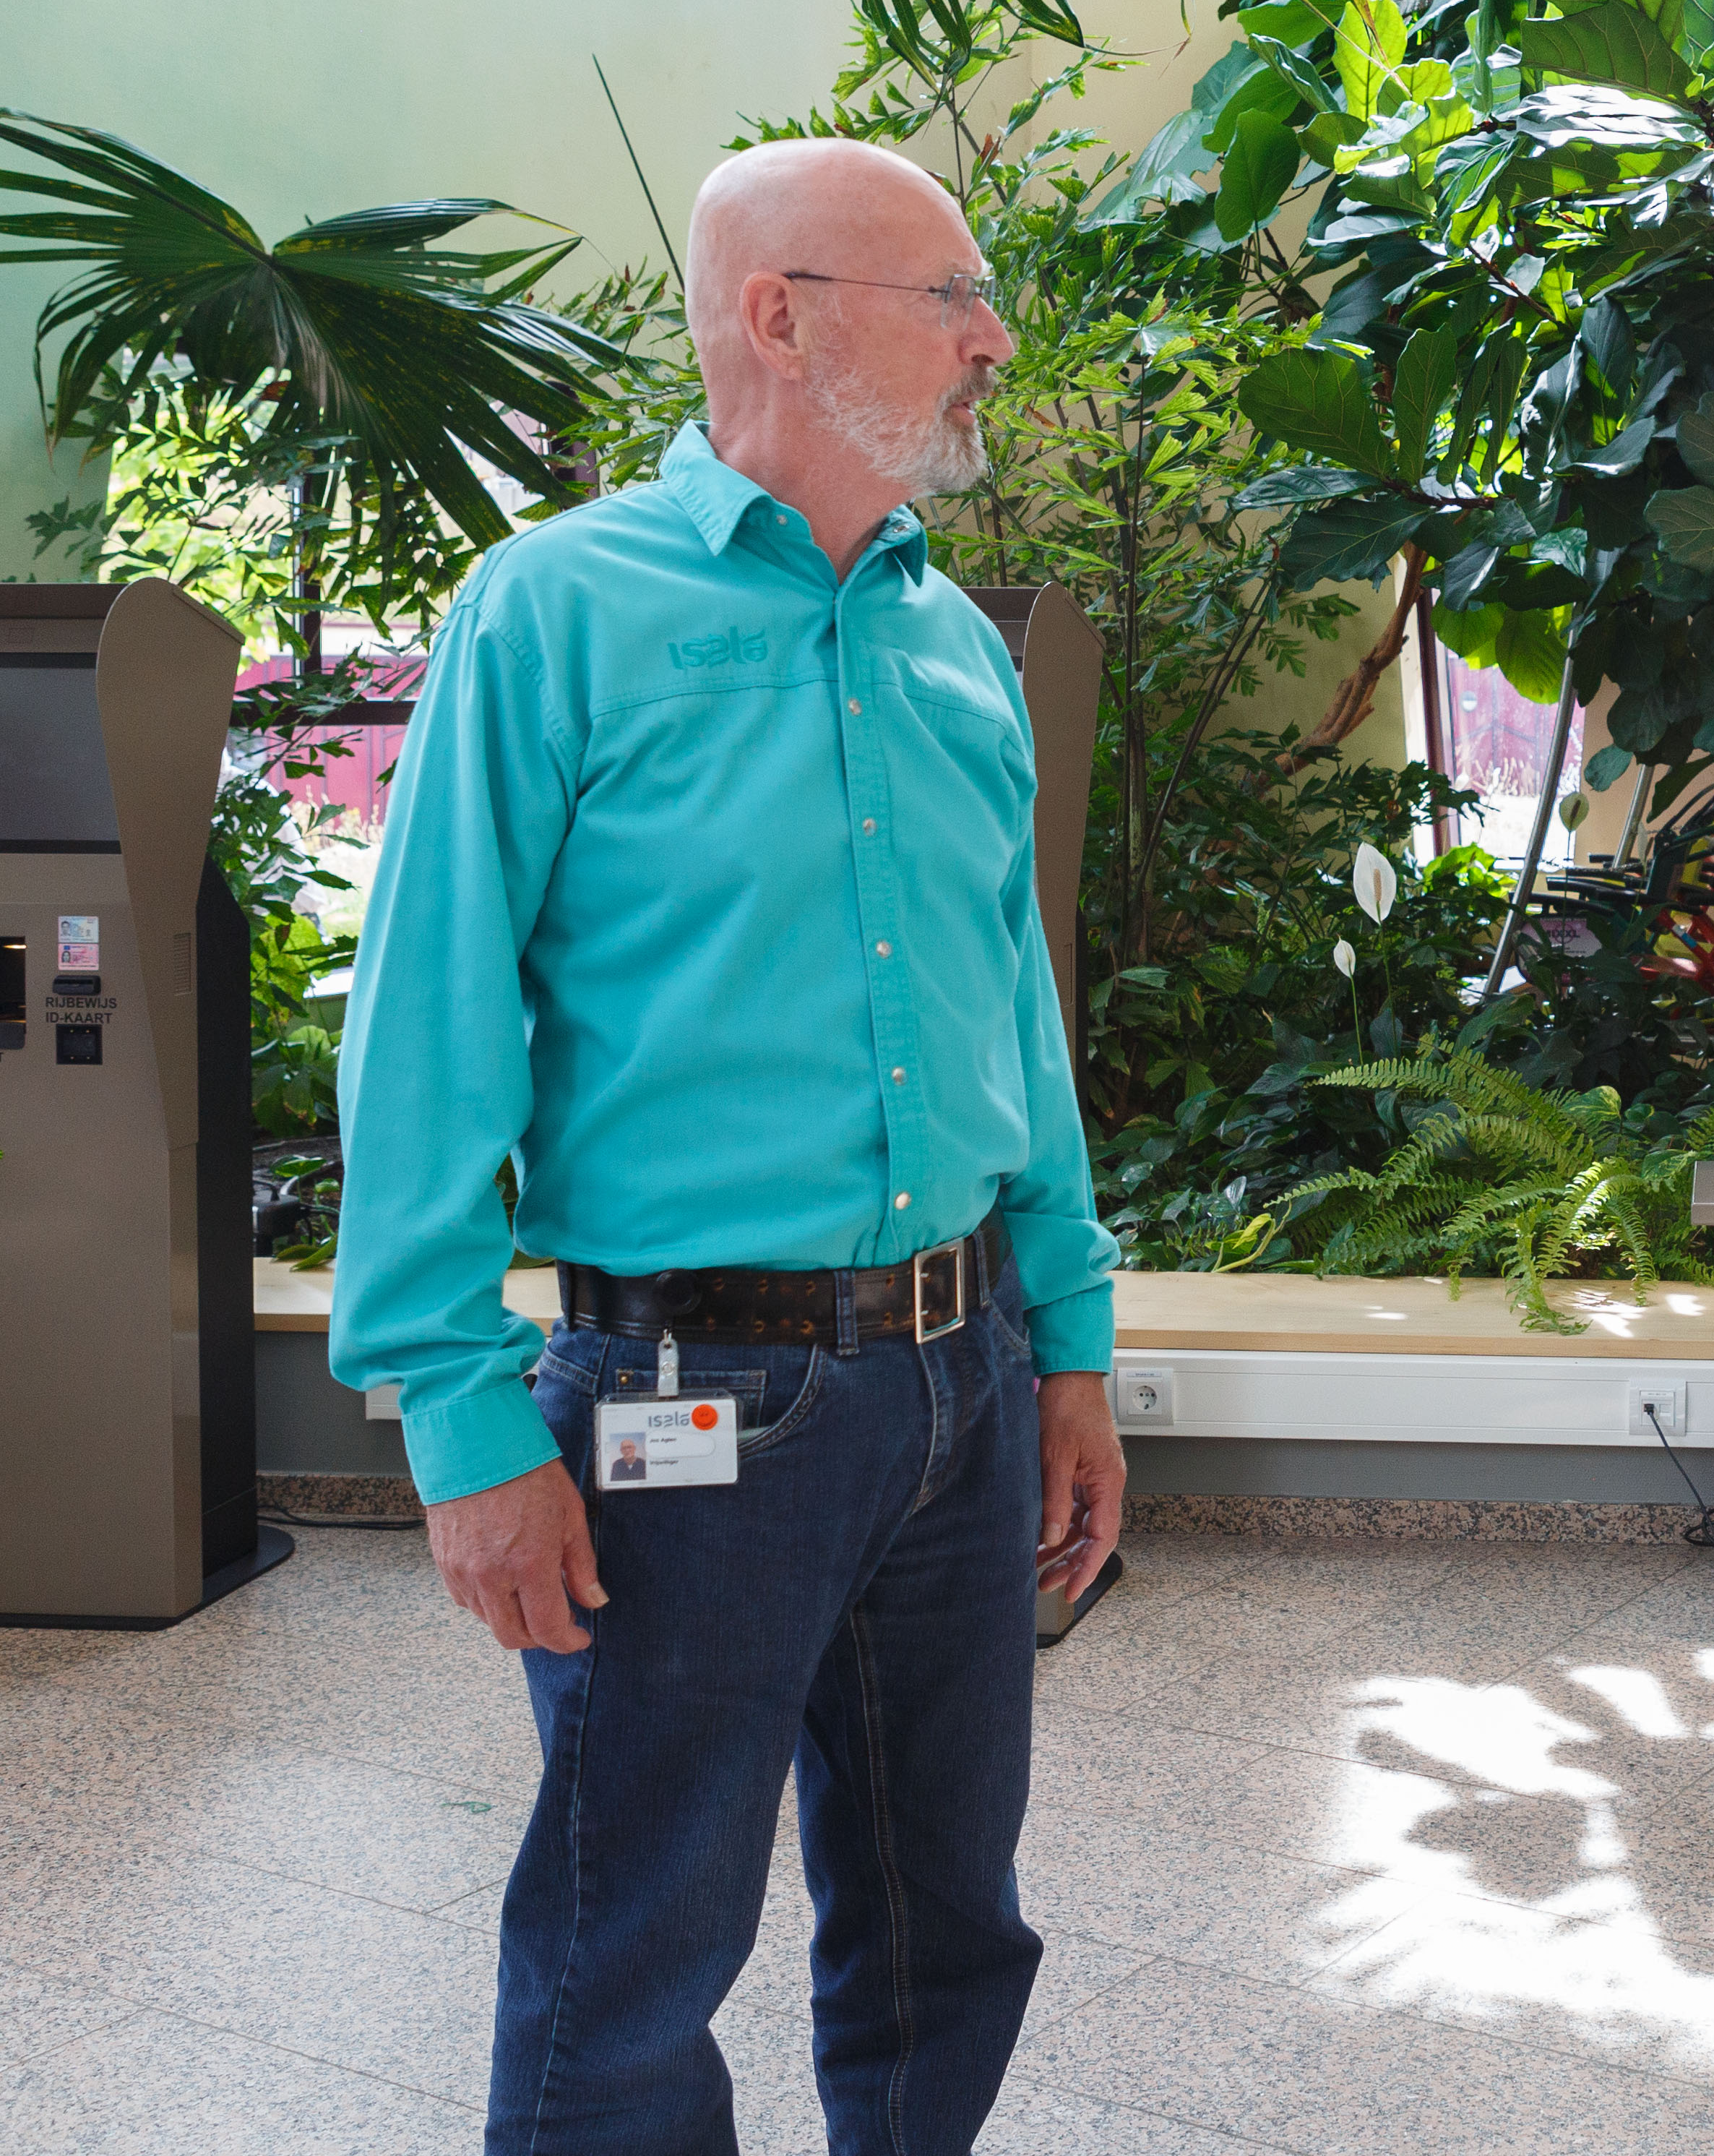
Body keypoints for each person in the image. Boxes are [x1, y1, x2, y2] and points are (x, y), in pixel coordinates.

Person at [331, 135, 1127, 2156]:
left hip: (961, 1385)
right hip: (681, 1403)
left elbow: (1007, 1010)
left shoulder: (958, 644)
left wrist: (1072, 1340)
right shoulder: (554, 615)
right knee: (632, 1951)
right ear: (779, 314)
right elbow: (425, 1037)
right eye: (948, 298)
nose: (989, 340)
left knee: (953, 1919)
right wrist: (461, 1422)